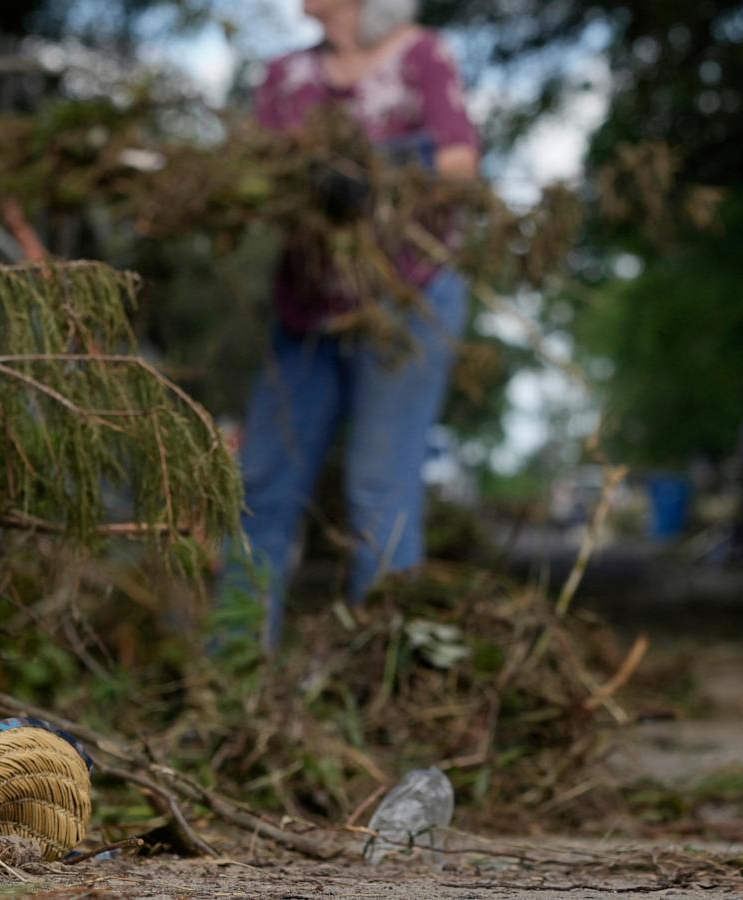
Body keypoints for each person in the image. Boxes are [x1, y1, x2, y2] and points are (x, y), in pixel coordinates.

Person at [229, 0, 481, 646]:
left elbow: (459, 163)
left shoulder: (420, 56)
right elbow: (255, 178)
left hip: (406, 303)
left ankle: (390, 677)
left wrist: (379, 174)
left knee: (379, 490)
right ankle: (229, 674)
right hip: (306, 312)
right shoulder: (287, 75)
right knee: (261, 485)